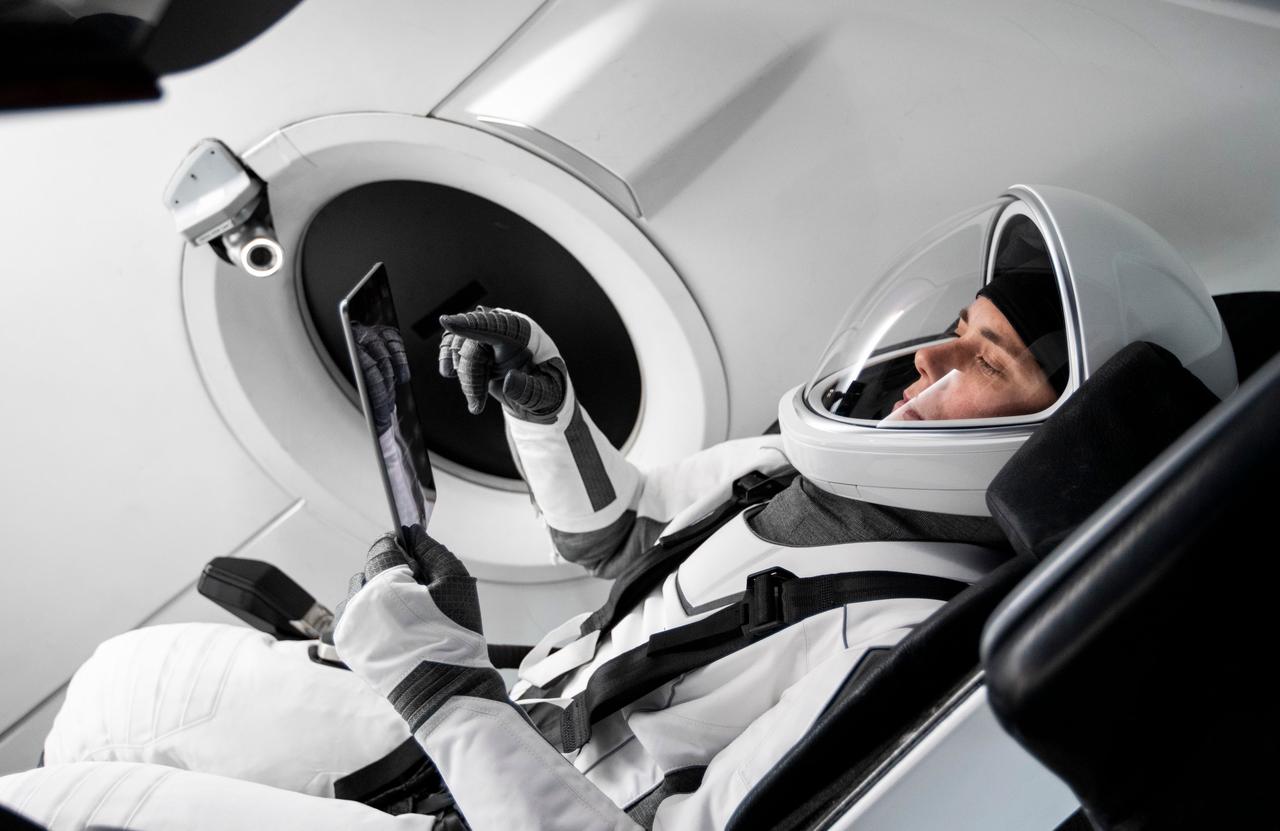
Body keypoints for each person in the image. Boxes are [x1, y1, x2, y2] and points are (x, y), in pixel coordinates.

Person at [0, 185, 1236, 830]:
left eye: (982, 364)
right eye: (951, 336)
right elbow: (626, 543)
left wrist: (436, 688)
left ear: (1056, 437)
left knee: (57, 805)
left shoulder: (903, 645)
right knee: (118, 684)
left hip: (508, 794)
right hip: (509, 717)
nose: (922, 365)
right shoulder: (802, 471)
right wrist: (546, 409)